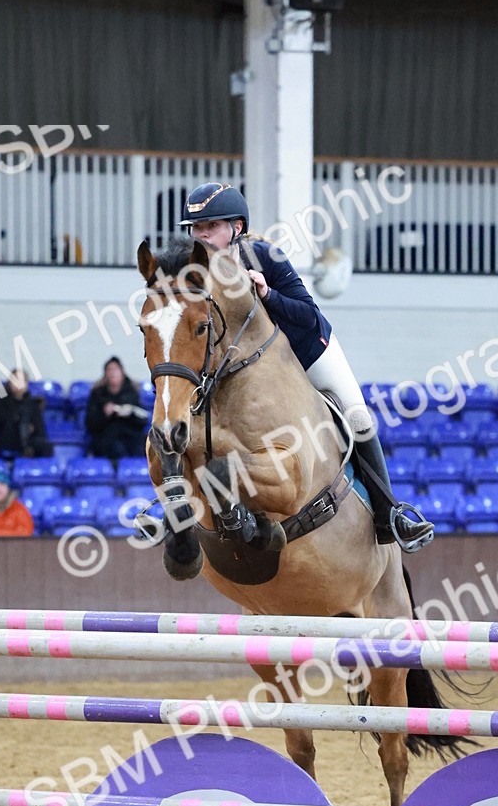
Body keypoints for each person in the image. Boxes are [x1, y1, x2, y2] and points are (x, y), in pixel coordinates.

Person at [177, 183, 433, 552]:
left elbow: (310, 317)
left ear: (236, 227)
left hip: (305, 352)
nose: (200, 236)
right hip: (242, 369)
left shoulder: (266, 257)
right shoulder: (193, 273)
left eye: (210, 227)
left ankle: (388, 513)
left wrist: (267, 294)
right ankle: (171, 503)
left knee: (358, 416)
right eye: (195, 228)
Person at [85, 356, 148, 462]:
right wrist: (104, 414)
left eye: (115, 369)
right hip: (106, 440)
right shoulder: (98, 394)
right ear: (105, 374)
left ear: (122, 372)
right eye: (109, 370)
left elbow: (143, 419)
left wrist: (130, 413)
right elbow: (89, 423)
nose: (112, 373)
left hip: (131, 439)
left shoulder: (132, 392)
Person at [0, 369, 53, 458]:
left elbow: (40, 431)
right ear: (10, 382)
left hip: (27, 444)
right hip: (3, 441)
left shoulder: (33, 405)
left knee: (45, 446)